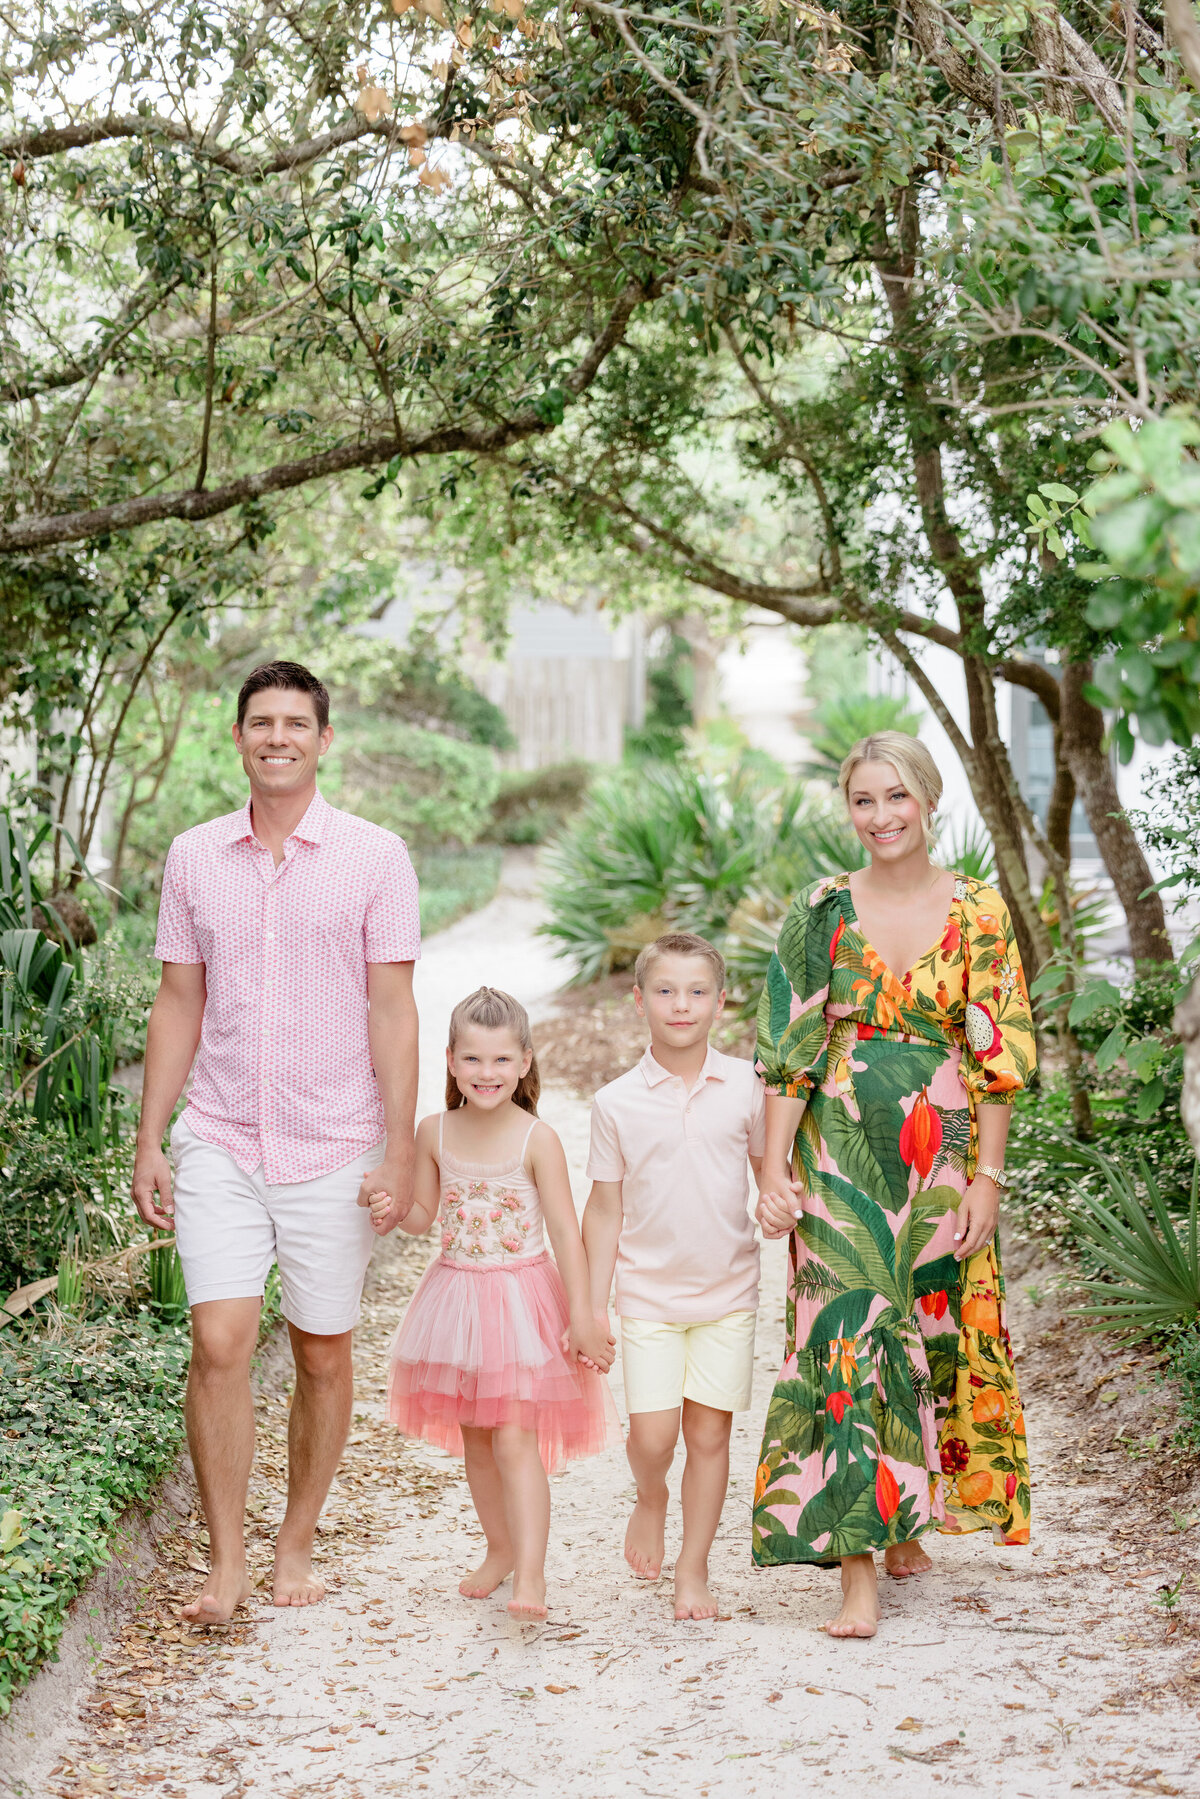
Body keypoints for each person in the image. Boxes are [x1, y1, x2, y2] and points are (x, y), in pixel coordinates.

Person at [131, 660, 420, 1626]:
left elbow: (392, 1007)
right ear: (240, 736)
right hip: (219, 1135)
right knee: (219, 1340)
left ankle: (295, 1540)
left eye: (297, 722)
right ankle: (226, 1564)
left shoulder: (377, 856)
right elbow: (179, 998)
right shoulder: (194, 856)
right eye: (262, 722)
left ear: (324, 739)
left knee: (323, 1353)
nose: (278, 736)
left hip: (336, 1141)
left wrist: (399, 1148)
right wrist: (150, 1138)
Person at [753, 731, 1034, 1640]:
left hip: (944, 1147)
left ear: (929, 798)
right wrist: (771, 1168)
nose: (880, 817)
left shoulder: (981, 909)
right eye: (863, 800)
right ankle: (856, 1570)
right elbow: (787, 1053)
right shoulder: (819, 910)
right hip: (836, 1151)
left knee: (932, 1322)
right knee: (844, 1336)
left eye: (896, 797)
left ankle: (907, 1512)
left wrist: (988, 1176)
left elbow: (996, 1049)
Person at [381, 987, 617, 1620]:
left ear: (525, 1062)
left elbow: (566, 1231)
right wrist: (393, 1204)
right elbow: (427, 1214)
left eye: (502, 1061)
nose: (488, 1075)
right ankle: (499, 1548)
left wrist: (584, 1316)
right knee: (477, 1438)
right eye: (474, 1061)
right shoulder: (435, 1131)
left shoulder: (536, 1138)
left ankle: (532, 1574)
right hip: (457, 1298)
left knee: (515, 1439)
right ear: (452, 1060)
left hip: (521, 1302)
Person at [582, 932, 766, 1622]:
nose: (680, 1004)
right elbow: (603, 1208)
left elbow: (768, 1171)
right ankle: (650, 1493)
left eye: (696, 991)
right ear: (639, 1001)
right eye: (665, 990)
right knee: (655, 1436)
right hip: (649, 1296)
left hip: (727, 1292)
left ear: (721, 1001)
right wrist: (592, 1307)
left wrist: (779, 1200)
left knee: (711, 1436)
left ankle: (693, 1570)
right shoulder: (617, 1102)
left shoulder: (749, 1086)